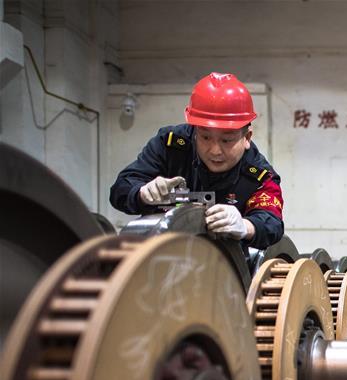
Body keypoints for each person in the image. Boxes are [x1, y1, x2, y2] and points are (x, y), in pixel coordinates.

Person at [109, 72, 284, 250]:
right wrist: (141, 193)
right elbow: (120, 190)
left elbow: (273, 223)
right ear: (194, 130)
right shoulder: (169, 146)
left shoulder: (259, 175)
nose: (215, 150)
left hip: (224, 264)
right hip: (160, 254)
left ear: (246, 137)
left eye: (226, 140)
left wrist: (245, 226)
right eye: (205, 137)